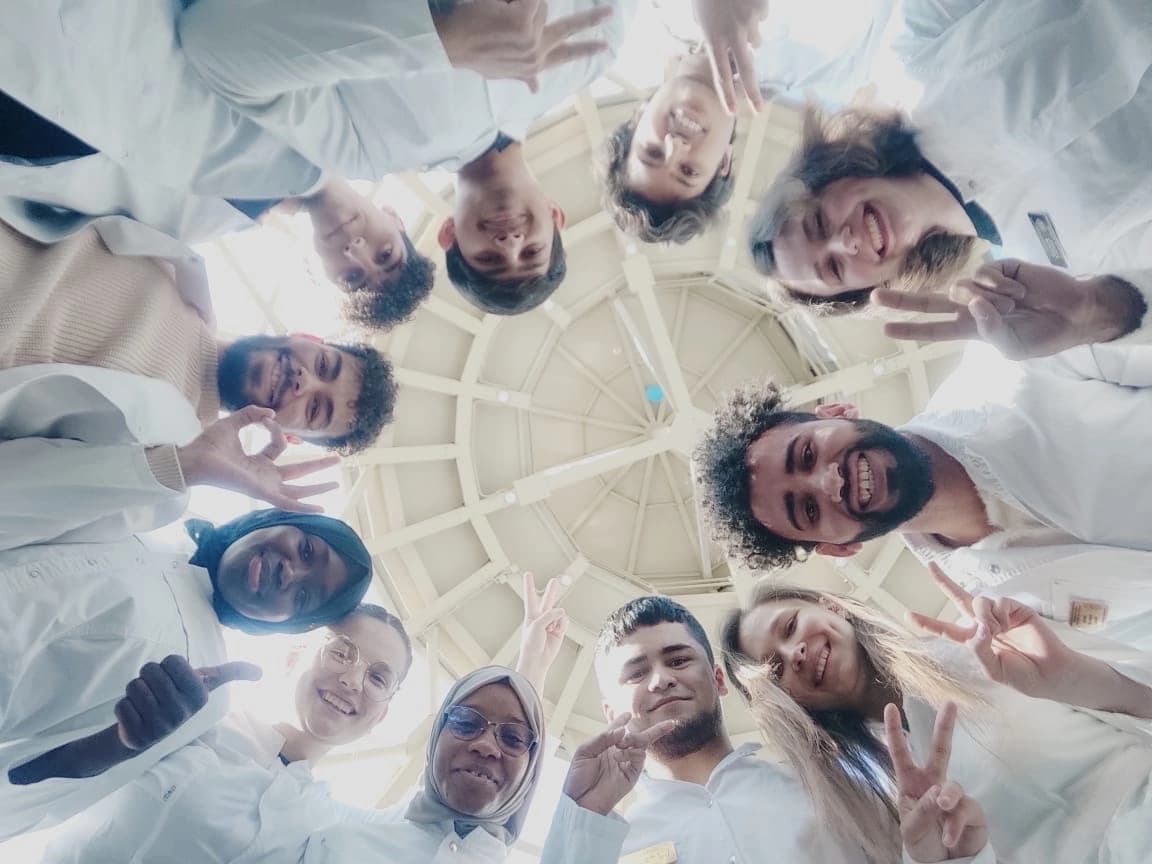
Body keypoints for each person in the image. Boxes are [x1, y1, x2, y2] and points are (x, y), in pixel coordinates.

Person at [0, 0, 634, 316]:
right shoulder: (598, 49)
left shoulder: (365, 148)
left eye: (490, 258)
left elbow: (219, 52)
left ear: (449, 234)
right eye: (532, 250)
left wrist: (437, 41)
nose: (510, 242)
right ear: (556, 215)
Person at [693, 300, 1152, 641]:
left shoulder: (1005, 363)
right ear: (838, 547)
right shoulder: (994, 610)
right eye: (808, 510)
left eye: (807, 454)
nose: (830, 481)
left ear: (837, 411)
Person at [747, 0, 1152, 313]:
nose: (846, 241)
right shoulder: (1055, 263)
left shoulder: (910, 54)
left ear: (828, 174)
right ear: (872, 288)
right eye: (834, 268)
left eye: (819, 223)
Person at [720, 572, 1152, 862]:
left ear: (832, 606)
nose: (794, 653)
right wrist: (951, 858)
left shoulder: (986, 642)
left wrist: (1072, 679)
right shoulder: (864, 810)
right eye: (774, 670)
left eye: (790, 626)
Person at [0, 507, 373, 840]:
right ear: (277, 518)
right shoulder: (150, 514)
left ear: (289, 624)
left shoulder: (198, 692)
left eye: (304, 597)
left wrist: (117, 745)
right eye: (306, 549)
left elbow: (31, 798)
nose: (289, 572)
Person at [40, 603, 414, 863]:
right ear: (294, 655)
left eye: (378, 678)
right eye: (341, 653)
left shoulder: (325, 828)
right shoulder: (189, 721)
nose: (352, 680)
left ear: (381, 716)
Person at [0, 216, 396, 452]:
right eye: (323, 365)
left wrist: (183, 470)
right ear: (308, 338)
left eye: (314, 409)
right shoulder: (179, 272)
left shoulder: (168, 447)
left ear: (288, 438)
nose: (304, 381)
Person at [537, 595, 869, 863]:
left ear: (719, 679)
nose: (661, 679)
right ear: (610, 712)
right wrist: (584, 817)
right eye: (636, 674)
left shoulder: (823, 791)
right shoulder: (604, 847)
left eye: (678, 660)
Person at [601, 0, 895, 244]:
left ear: (638, 118)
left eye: (652, 152)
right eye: (688, 171)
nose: (675, 145)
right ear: (724, 163)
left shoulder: (645, 12)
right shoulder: (831, 72)